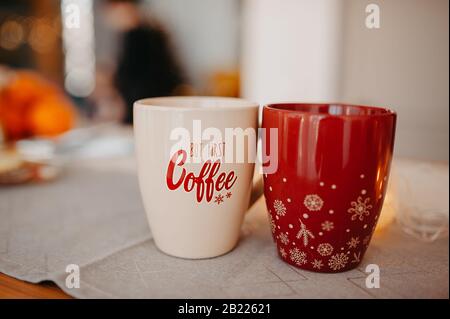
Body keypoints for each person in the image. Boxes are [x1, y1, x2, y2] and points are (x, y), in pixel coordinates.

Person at [103, 0, 185, 124]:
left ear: (124, 7)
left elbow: (140, 82)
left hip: (147, 114)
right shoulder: (149, 32)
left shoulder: (140, 37)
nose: (109, 18)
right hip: (151, 112)